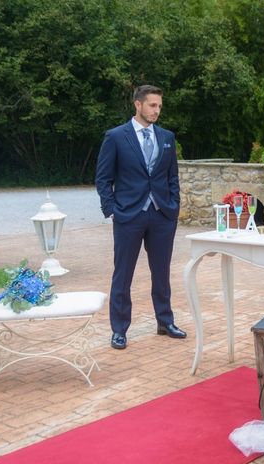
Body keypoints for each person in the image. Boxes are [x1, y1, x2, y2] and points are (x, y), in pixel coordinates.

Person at [95, 85, 186, 350]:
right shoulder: (115, 137)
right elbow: (103, 178)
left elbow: (172, 177)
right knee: (123, 274)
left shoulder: (167, 137)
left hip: (161, 215)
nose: (157, 110)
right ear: (138, 104)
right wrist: (111, 210)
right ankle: (120, 329)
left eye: (159, 106)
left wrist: (174, 207)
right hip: (128, 215)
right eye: (152, 105)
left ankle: (164, 321)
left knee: (162, 272)